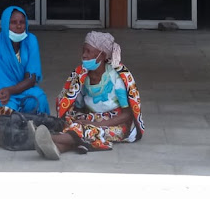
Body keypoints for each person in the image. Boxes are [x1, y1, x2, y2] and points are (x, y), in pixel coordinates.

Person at [33, 31, 144, 160]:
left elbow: (127, 114)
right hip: (92, 117)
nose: (84, 55)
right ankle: (57, 148)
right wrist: (81, 119)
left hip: (116, 123)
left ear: (101, 55)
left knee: (88, 130)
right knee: (73, 121)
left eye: (88, 51)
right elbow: (75, 104)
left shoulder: (117, 77)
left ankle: (50, 139)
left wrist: (96, 125)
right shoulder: (82, 74)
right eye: (83, 51)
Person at [0, 6, 49, 150]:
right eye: (13, 22)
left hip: (19, 90)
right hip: (1, 97)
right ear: (5, 24)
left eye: (22, 22)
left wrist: (11, 90)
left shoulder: (31, 41)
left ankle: (43, 132)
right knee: (3, 109)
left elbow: (31, 79)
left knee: (39, 97)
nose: (18, 26)